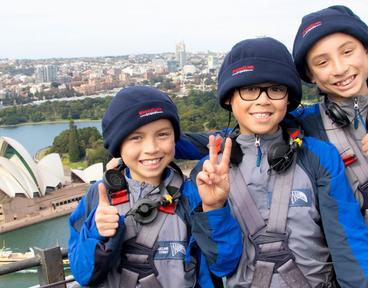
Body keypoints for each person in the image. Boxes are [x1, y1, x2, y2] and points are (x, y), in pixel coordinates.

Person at [191, 37, 368, 287]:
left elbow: (348, 245)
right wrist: (214, 207)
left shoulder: (318, 156)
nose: (263, 100)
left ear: (288, 99)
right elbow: (221, 264)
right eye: (249, 89)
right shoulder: (208, 172)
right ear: (229, 97)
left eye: (276, 89)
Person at [67, 86, 242, 287]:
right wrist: (97, 232)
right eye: (136, 138)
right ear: (118, 145)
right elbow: (83, 273)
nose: (151, 148)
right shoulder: (98, 196)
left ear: (175, 139)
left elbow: (225, 264)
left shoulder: (192, 195)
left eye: (162, 135)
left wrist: (214, 208)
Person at [291, 5, 368, 252]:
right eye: (323, 62)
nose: (340, 68)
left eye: (347, 52)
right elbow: (239, 137)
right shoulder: (304, 124)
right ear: (311, 75)